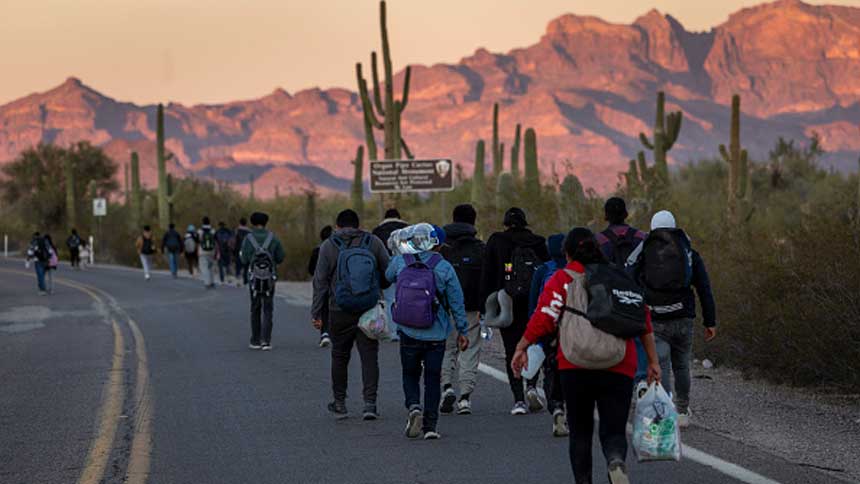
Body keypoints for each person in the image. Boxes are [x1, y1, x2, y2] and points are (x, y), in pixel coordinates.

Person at [513, 228, 661, 484]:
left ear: (567, 253)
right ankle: (615, 460)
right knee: (614, 429)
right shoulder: (618, 277)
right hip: (619, 364)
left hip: (575, 364)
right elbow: (642, 318)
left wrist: (522, 346)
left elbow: (546, 316)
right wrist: (653, 361)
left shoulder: (562, 279)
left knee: (580, 432)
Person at [630, 210, 717, 428]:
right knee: (682, 364)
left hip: (655, 316)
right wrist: (710, 321)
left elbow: (629, 276)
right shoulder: (688, 252)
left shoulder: (645, 249)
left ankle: (665, 410)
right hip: (683, 316)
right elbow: (704, 287)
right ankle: (682, 411)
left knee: (661, 364)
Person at [387, 223, 469, 440]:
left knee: (410, 373)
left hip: (407, 330)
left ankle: (414, 406)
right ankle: (430, 427)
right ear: (438, 245)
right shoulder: (444, 267)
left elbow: (387, 276)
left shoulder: (400, 261)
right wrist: (463, 330)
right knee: (432, 378)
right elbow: (456, 302)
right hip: (436, 333)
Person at [312, 209, 390, 420]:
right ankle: (370, 404)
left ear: (337, 226)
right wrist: (378, 286)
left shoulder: (328, 245)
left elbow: (319, 282)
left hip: (339, 309)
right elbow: (389, 270)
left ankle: (339, 403)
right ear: (358, 225)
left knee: (339, 356)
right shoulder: (372, 242)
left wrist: (317, 312)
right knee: (369, 356)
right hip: (368, 308)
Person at [480, 207, 549, 415]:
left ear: (505, 223)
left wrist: (485, 305)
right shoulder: (537, 242)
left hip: (507, 301)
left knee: (512, 348)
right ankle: (532, 386)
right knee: (534, 345)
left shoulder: (496, 241)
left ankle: (518, 399)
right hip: (534, 301)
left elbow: (488, 274)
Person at [596, 197, 649, 385]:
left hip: (610, 299)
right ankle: (641, 379)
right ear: (626, 214)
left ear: (606, 216)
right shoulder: (642, 238)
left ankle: (615, 378)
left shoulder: (599, 240)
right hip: (637, 295)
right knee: (639, 338)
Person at [439, 204, 485, 415]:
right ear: (473, 221)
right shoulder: (479, 248)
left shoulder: (441, 247)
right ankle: (465, 397)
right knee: (470, 349)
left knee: (446, 349)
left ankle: (446, 387)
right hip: (471, 308)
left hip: (444, 307)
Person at [527, 233, 569, 437]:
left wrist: (532, 332)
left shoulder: (543, 270)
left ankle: (556, 407)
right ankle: (570, 407)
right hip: (573, 327)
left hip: (549, 327)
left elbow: (534, 303)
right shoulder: (576, 271)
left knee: (551, 369)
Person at [239, 212, 286, 351]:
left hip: (254, 278)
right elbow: (280, 257)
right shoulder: (273, 238)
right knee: (268, 308)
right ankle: (266, 340)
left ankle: (255, 340)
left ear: (252, 223)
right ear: (266, 222)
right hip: (269, 278)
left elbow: (244, 259)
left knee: (255, 308)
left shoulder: (248, 239)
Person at [373, 208, 409, 342]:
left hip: (385, 270)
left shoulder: (377, 231)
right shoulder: (408, 229)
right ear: (399, 217)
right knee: (405, 299)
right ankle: (405, 330)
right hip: (406, 268)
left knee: (389, 300)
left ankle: (393, 332)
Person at [308, 225, 334, 348]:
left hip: (321, 283)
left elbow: (311, 269)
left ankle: (324, 333)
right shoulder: (338, 249)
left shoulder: (317, 250)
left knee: (323, 307)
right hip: (336, 283)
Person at [198, 217, 217, 289]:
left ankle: (207, 283)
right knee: (211, 267)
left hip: (202, 252)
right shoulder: (213, 231)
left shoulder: (200, 231)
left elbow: (198, 241)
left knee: (204, 267)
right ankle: (212, 282)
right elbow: (215, 241)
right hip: (212, 251)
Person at [234, 218, 251, 286]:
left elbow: (234, 241)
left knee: (238, 265)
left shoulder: (237, 231)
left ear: (240, 223)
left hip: (238, 250)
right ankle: (245, 280)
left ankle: (238, 280)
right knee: (246, 266)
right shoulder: (249, 231)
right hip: (247, 251)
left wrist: (233, 251)